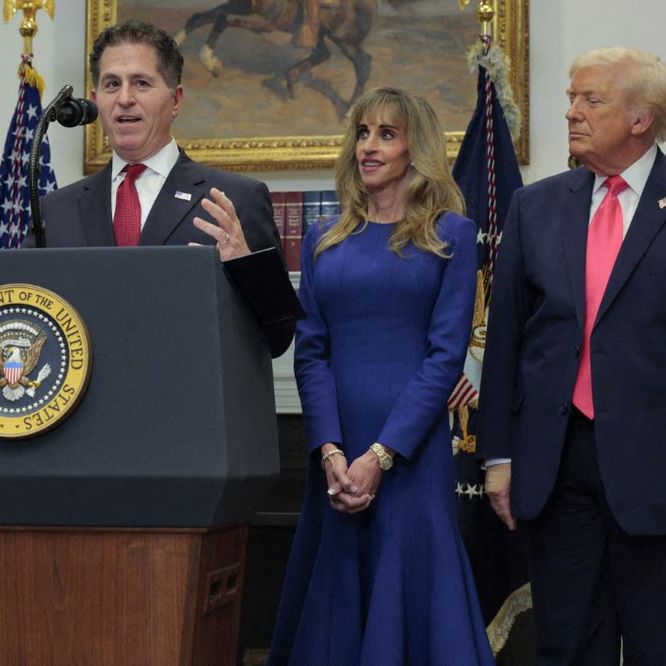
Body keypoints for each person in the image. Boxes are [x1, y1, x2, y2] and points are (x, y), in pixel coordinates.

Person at [478, 47, 666, 664]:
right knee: (565, 648)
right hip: (555, 472)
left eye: (592, 100)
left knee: (661, 651)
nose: (571, 112)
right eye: (571, 98)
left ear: (642, 118)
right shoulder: (537, 207)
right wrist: (499, 455)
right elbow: (505, 341)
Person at [269, 87, 494, 665]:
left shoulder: (450, 235)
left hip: (409, 454)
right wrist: (330, 451)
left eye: (386, 135)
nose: (368, 147)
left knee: (411, 591)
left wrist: (380, 455)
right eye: (362, 133)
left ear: (416, 149)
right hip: (336, 457)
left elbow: (445, 358)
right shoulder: (323, 238)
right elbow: (311, 352)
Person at [0, 19, 296, 354]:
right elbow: (27, 318)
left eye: (141, 83)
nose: (125, 98)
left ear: (176, 100)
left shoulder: (235, 200)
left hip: (188, 391)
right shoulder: (56, 211)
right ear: (95, 99)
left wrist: (246, 270)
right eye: (112, 84)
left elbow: (279, 337)